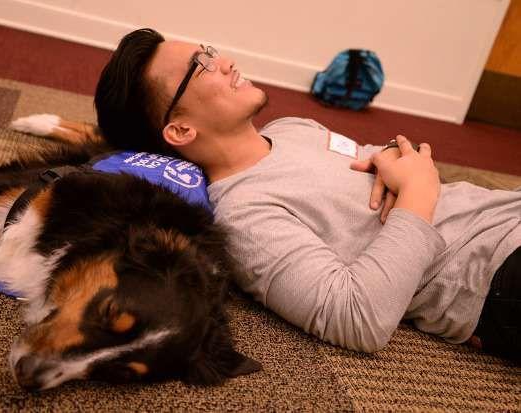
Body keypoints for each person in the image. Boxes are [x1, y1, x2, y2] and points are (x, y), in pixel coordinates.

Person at [92, 28, 521, 360]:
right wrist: (417, 193)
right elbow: (358, 319)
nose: (222, 60)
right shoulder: (245, 215)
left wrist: (396, 156)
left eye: (209, 49)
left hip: (502, 211)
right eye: (201, 64)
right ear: (180, 129)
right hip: (490, 271)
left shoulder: (293, 127)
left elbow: (373, 158)